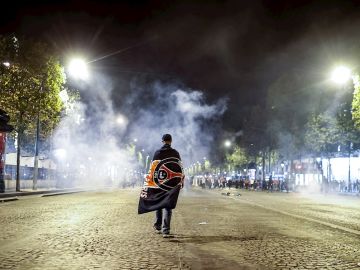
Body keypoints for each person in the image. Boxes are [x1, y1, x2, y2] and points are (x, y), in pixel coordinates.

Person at [138, 134, 184, 238]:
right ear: (171, 141)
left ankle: (158, 225)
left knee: (159, 202)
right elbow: (180, 169)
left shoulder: (157, 153)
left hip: (159, 183)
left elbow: (153, 169)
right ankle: (166, 230)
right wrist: (180, 181)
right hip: (171, 184)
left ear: (162, 141)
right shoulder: (175, 153)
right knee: (168, 206)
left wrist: (149, 182)